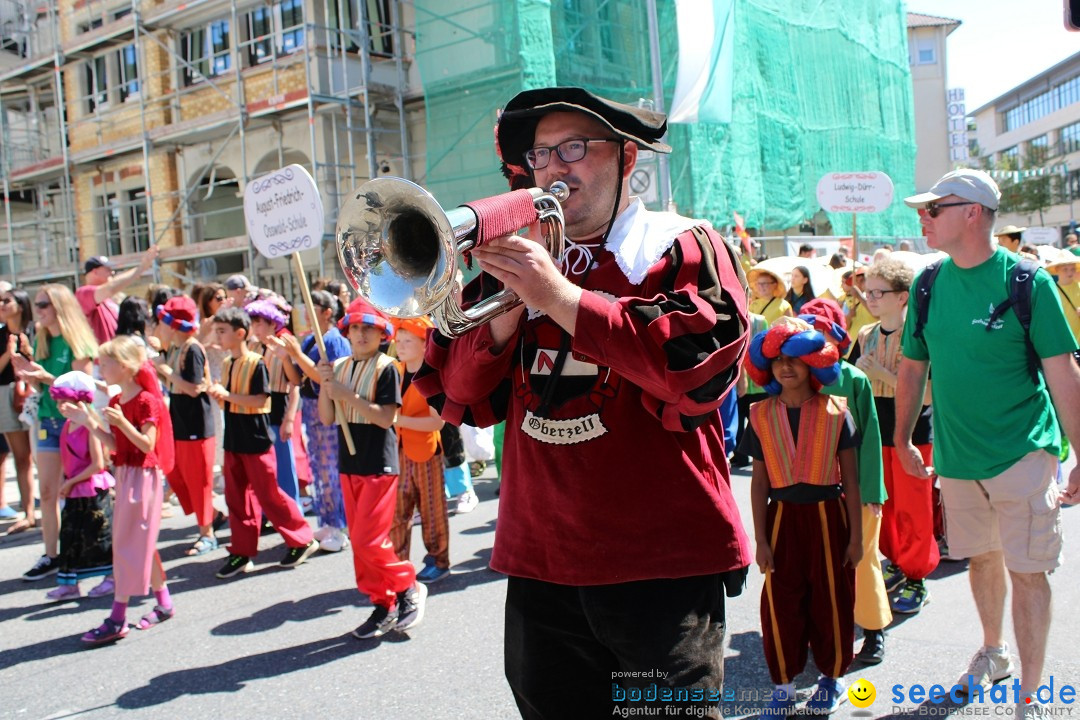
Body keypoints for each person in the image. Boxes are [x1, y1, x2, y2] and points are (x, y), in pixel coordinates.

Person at [412, 86, 751, 718]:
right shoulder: (516, 262)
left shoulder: (679, 242)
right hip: (541, 560)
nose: (552, 169)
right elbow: (456, 393)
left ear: (626, 159)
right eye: (539, 156)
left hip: (660, 565)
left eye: (573, 148)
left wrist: (559, 296)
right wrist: (507, 316)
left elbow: (696, 366)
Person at [896, 169, 1080, 717]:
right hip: (956, 457)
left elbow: (1064, 374)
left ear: (972, 213)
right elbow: (911, 369)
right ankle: (993, 652)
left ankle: (1030, 691)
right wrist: (904, 439)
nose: (923, 217)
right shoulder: (928, 283)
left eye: (934, 208)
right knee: (982, 560)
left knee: (1027, 572)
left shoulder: (1028, 282)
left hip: (1023, 451)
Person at [741, 316, 862, 716]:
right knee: (781, 601)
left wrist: (857, 537)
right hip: (781, 519)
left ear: (815, 363)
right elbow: (758, 482)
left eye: (795, 359)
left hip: (829, 517)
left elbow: (852, 481)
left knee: (832, 598)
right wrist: (760, 540)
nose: (786, 368)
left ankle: (832, 677)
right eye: (777, 361)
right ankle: (784, 685)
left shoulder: (837, 412)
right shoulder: (759, 415)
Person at [316, 298, 425, 638]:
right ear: (347, 332)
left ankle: (408, 585)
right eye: (356, 328)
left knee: (368, 540)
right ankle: (383, 603)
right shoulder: (340, 366)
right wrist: (325, 385)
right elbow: (326, 417)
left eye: (369, 328)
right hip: (349, 464)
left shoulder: (386, 367)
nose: (361, 334)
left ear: (382, 335)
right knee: (361, 548)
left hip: (379, 462)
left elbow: (385, 418)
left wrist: (345, 394)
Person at [62, 335, 176, 644]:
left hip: (145, 476)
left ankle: (117, 617)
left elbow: (147, 444)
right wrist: (89, 422)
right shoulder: (115, 402)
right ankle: (164, 604)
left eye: (106, 362)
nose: (100, 366)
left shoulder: (145, 401)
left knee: (128, 543)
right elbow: (116, 445)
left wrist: (124, 423)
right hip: (126, 474)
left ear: (124, 367)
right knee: (138, 541)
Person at [801, 298, 890, 665]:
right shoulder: (793, 379)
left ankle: (873, 632)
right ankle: (824, 631)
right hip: (809, 491)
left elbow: (870, 438)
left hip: (854, 491)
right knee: (816, 565)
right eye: (808, 334)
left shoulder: (854, 379)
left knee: (863, 559)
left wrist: (871, 491)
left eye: (823, 333)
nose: (816, 341)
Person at [849, 258, 937, 617]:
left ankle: (918, 577)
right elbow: (852, 378)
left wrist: (880, 371)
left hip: (913, 432)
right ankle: (897, 562)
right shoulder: (865, 334)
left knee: (915, 508)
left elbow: (930, 393)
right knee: (883, 505)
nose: (870, 297)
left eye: (878, 292)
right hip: (875, 431)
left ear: (903, 297)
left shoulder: (921, 334)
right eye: (868, 291)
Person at [207, 308, 317, 578]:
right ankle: (242, 552)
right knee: (236, 497)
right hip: (234, 436)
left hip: (256, 437)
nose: (218, 336)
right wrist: (219, 395)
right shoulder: (226, 363)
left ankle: (302, 539)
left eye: (222, 331)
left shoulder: (256, 362)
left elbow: (261, 400)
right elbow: (231, 400)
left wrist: (227, 395)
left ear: (239, 334)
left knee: (270, 494)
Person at [14, 285, 97, 582]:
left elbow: (82, 389)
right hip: (49, 420)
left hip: (73, 423)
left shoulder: (77, 343)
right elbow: (44, 389)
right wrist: (29, 375)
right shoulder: (43, 339)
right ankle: (51, 554)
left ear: (61, 306)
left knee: (80, 490)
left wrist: (45, 377)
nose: (38, 309)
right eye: (37, 304)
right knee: (48, 492)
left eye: (44, 304)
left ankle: (90, 551)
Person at [280, 289, 351, 552]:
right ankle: (329, 519)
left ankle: (341, 526)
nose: (306, 313)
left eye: (313, 307)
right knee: (320, 468)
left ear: (327, 312)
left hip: (331, 410)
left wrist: (297, 355)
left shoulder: (334, 340)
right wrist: (286, 356)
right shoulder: (311, 339)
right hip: (312, 410)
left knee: (332, 468)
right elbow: (298, 379)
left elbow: (328, 379)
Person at [154, 296, 221, 556]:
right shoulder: (173, 349)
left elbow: (194, 389)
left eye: (162, 323)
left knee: (199, 481)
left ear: (173, 326)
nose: (158, 328)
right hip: (180, 424)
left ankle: (207, 534)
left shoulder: (192, 348)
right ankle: (214, 516)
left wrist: (165, 372)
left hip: (197, 426)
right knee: (178, 476)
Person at [388, 316, 450, 583]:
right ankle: (397, 564)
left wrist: (398, 420)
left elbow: (437, 421)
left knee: (432, 511)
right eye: (398, 340)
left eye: (407, 341)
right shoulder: (394, 371)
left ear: (424, 344)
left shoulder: (433, 375)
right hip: (397, 450)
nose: (400, 345)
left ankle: (439, 560)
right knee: (397, 513)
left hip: (426, 451)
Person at [44, 371, 115, 602]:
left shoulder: (89, 426)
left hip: (92, 491)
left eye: (66, 401)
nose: (60, 405)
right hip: (75, 490)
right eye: (58, 401)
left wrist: (71, 481)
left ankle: (111, 578)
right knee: (70, 537)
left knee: (99, 537)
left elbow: (98, 464)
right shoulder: (67, 426)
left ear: (80, 401)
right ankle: (69, 583)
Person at [245, 299, 303, 508]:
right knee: (264, 470)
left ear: (272, 323)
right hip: (257, 411)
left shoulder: (284, 343)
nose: (256, 328)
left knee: (285, 469)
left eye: (260, 323)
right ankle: (268, 514)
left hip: (279, 408)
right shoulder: (250, 345)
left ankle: (292, 511)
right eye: (253, 323)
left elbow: (296, 383)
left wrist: (289, 419)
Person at [0, 288, 36, 534]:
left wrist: (27, 350)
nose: (1, 304)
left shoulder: (36, 330)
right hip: (5, 394)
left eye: (6, 300)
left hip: (34, 394)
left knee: (44, 455)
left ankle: (54, 505)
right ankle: (29, 512)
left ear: (21, 305)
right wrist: (9, 354)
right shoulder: (1, 334)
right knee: (21, 458)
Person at [76, 248, 159, 345]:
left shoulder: (109, 299)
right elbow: (111, 288)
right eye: (108, 270)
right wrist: (141, 268)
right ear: (95, 272)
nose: (112, 273)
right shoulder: (83, 294)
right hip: (103, 357)